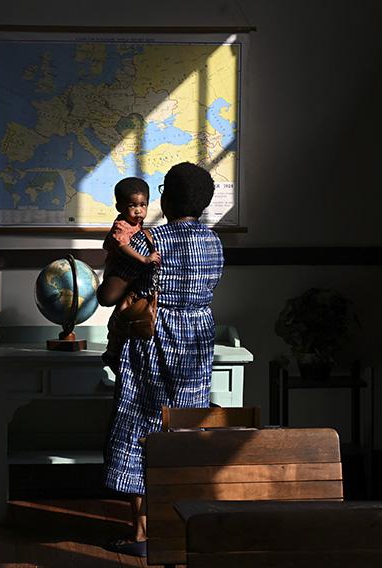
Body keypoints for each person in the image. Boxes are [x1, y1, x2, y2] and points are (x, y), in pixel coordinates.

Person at [97, 162, 224, 557]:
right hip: (197, 341)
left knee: (141, 428)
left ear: (166, 198)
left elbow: (107, 296)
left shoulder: (149, 240)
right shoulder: (214, 243)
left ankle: (141, 533)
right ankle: (179, 527)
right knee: (184, 428)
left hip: (153, 341)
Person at [101, 177, 161, 372]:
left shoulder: (137, 224)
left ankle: (113, 349)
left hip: (127, 274)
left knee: (123, 310)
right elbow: (122, 246)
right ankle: (112, 350)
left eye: (143, 205)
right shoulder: (121, 225)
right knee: (119, 312)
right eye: (132, 206)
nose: (138, 210)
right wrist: (143, 259)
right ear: (119, 207)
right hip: (115, 267)